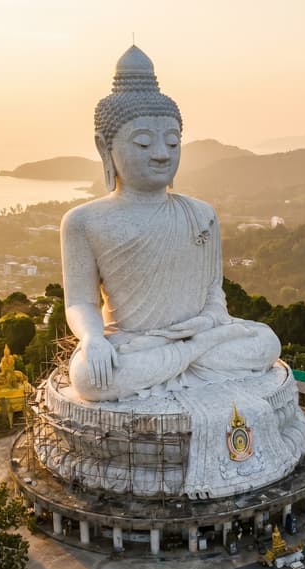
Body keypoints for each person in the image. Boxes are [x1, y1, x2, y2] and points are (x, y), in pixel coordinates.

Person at [60, 46, 281, 401]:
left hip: (201, 336)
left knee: (266, 342)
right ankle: (185, 364)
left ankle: (181, 362)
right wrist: (93, 339)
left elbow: (213, 292)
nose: (162, 153)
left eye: (173, 141)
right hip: (133, 343)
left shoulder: (201, 213)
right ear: (105, 147)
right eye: (144, 142)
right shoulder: (84, 221)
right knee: (89, 376)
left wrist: (205, 328)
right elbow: (80, 302)